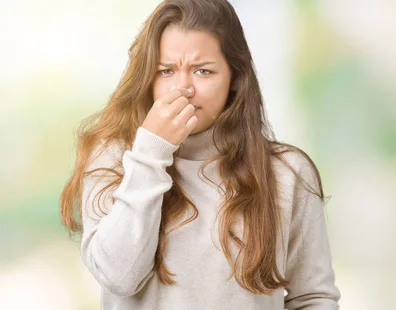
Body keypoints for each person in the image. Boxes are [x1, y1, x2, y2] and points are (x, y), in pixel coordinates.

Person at [59, 0, 341, 309]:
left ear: (235, 78)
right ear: (148, 79)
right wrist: (151, 152)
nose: (183, 88)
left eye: (203, 71)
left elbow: (313, 298)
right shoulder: (113, 157)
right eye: (166, 71)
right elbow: (118, 276)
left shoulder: (286, 173)